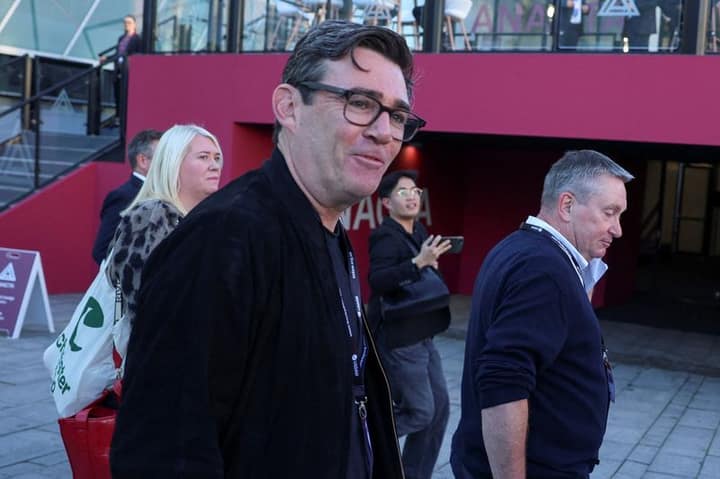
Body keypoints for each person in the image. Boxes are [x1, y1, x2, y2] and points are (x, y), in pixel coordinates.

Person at [110, 20, 425, 478]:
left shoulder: (328, 231)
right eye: (360, 103)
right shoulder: (222, 239)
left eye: (397, 116)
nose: (384, 132)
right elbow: (164, 452)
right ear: (289, 108)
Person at [451, 150, 633, 479]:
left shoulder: (522, 248)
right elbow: (503, 381)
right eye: (609, 213)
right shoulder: (544, 270)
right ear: (567, 205)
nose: (617, 229)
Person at [367, 170, 451, 479]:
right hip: (399, 337)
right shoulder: (385, 236)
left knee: (440, 410)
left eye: (415, 191)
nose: (412, 196)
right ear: (387, 202)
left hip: (422, 332)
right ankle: (359, 436)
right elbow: (378, 280)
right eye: (403, 192)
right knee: (420, 412)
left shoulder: (417, 231)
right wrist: (418, 263)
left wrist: (427, 262)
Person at [106, 124, 222, 335]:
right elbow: (143, 302)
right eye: (204, 157)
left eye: (217, 158)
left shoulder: (202, 218)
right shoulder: (152, 215)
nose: (214, 165)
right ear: (173, 162)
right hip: (164, 349)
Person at [92, 129, 162, 265]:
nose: (170, 162)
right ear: (143, 161)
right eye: (163, 156)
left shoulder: (168, 193)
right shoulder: (124, 196)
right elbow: (102, 250)